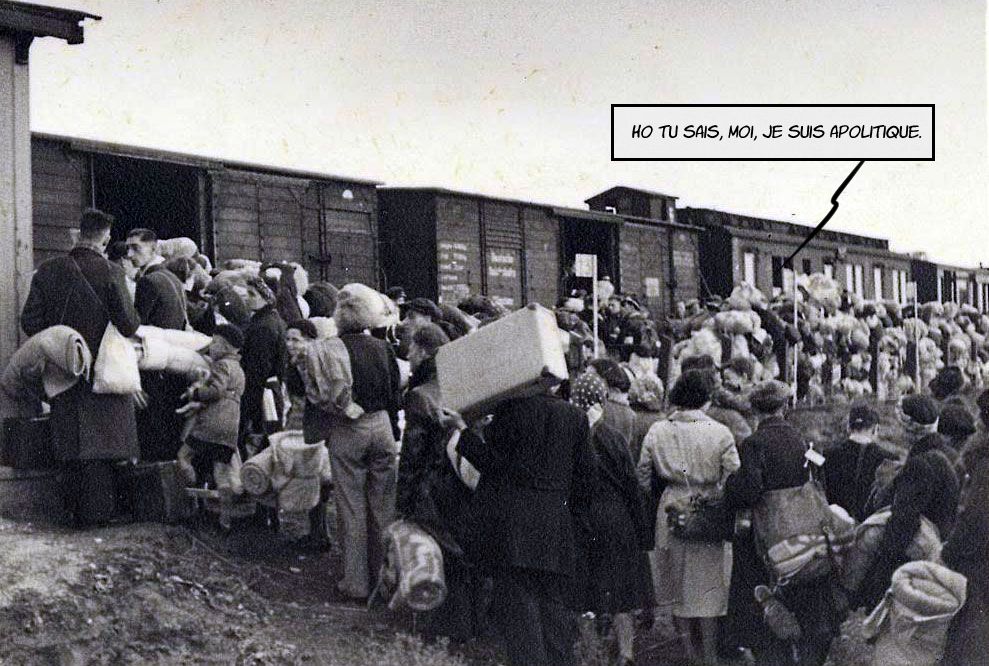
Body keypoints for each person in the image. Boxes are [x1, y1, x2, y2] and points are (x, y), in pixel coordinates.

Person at [454, 385, 596, 666]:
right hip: (556, 525)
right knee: (554, 611)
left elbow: (492, 464)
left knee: (521, 614)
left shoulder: (510, 410)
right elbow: (587, 478)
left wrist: (463, 431)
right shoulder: (576, 417)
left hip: (514, 527)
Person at [20, 209, 142, 526]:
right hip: (103, 370)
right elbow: (128, 325)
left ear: (77, 234)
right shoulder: (113, 272)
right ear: (105, 238)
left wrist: (62, 342)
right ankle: (99, 516)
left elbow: (30, 322)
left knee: (70, 442)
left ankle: (72, 514)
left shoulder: (47, 271)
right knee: (102, 445)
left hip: (63, 369)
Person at [724, 380, 845, 666]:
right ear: (784, 407)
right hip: (803, 527)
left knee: (758, 588)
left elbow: (749, 489)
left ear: (754, 410)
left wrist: (730, 485)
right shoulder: (799, 438)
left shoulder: (755, 443)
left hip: (770, 528)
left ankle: (770, 649)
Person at [637, 369, 740, 665]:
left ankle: (687, 650)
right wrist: (715, 492)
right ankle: (708, 653)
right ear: (706, 399)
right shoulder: (720, 432)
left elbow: (643, 475)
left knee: (674, 580)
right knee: (708, 583)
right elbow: (733, 474)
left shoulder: (658, 430)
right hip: (707, 506)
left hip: (671, 504)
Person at [305, 288, 402, 600]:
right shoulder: (384, 348)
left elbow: (318, 395)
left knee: (351, 507)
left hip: (350, 428)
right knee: (383, 506)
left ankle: (356, 583)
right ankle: (385, 580)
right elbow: (394, 393)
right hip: (383, 426)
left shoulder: (328, 349)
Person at [396, 323, 480, 642]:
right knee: (463, 554)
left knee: (439, 555)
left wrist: (404, 500)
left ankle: (445, 627)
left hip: (433, 488)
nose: (409, 355)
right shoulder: (463, 386)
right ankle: (471, 626)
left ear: (423, 351)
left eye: (412, 349)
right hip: (463, 484)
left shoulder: (419, 396)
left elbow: (412, 455)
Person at [571, 373, 653, 666]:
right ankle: (626, 653)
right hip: (616, 517)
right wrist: (643, 530)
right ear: (602, 400)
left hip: (580, 518)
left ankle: (589, 651)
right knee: (621, 589)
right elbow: (631, 485)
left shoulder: (569, 435)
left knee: (583, 587)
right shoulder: (613, 438)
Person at [856, 395, 962, 610]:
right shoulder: (949, 454)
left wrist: (880, 573)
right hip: (944, 551)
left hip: (920, 559)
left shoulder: (920, 464)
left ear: (908, 428)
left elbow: (904, 523)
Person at [127, 228, 189, 461]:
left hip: (154, 370)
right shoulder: (173, 278)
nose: (131, 254)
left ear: (153, 249)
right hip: (174, 370)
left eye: (136, 248)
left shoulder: (148, 282)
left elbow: (135, 329)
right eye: (128, 248)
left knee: (153, 440)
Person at [174, 324, 245, 526]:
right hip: (230, 427)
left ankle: (191, 498)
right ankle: (225, 520)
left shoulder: (222, 366)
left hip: (211, 424)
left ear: (224, 346)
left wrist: (195, 393)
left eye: (214, 342)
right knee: (221, 473)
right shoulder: (239, 369)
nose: (211, 346)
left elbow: (216, 391)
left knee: (184, 457)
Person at [941, 389, 989, 666]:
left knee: (970, 644)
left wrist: (948, 551)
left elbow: (976, 520)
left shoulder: (983, 463)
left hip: (980, 568)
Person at [821, 403, 896, 521]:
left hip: (837, 526)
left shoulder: (828, 454)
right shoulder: (888, 459)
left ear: (848, 427)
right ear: (876, 429)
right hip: (870, 528)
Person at [239, 276, 288, 437]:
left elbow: (257, 369)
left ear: (266, 298)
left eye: (252, 294)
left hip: (259, 395)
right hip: (270, 391)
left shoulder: (263, 327)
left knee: (255, 438)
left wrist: (247, 404)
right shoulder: (273, 320)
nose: (247, 297)